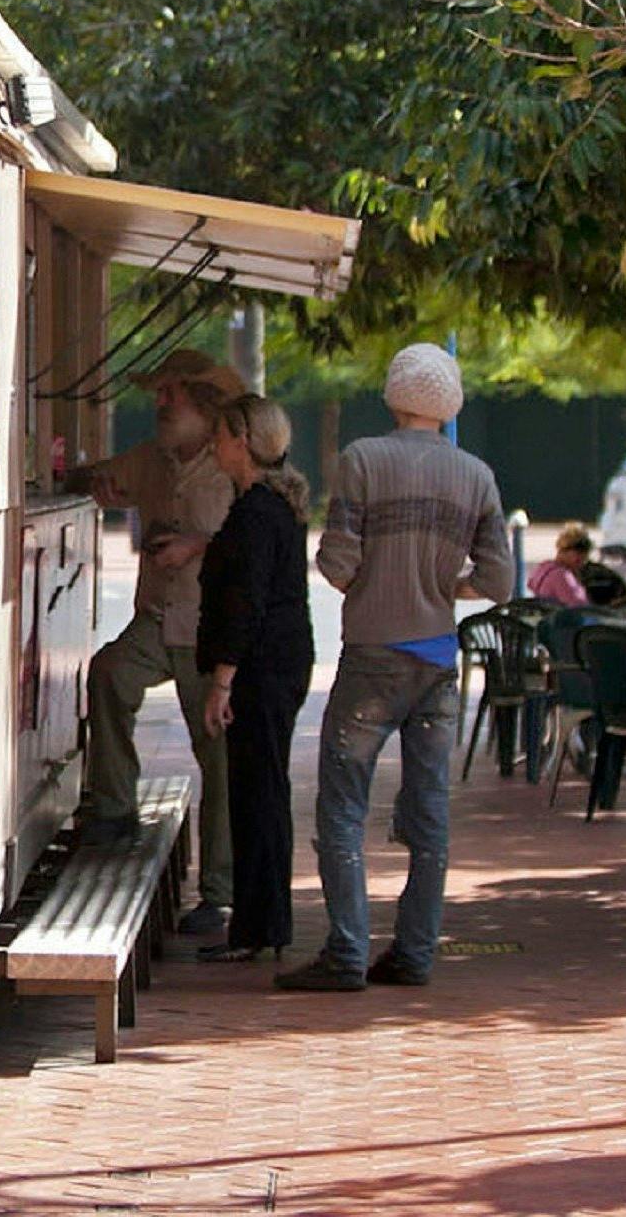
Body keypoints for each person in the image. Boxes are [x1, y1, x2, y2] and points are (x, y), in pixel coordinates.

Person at [278, 343, 513, 991]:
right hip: (439, 660)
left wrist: (377, 575)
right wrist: (442, 587)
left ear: (392, 394)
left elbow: (337, 565)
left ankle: (347, 952)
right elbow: (499, 578)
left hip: (373, 659)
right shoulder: (477, 476)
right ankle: (414, 953)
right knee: (429, 813)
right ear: (450, 404)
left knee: (342, 806)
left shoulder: (362, 461)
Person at [68, 347, 244, 936]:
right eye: (159, 392)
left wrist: (198, 545)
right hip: (157, 617)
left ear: (206, 404)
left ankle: (220, 892)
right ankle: (114, 808)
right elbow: (102, 479)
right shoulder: (152, 459)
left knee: (217, 760)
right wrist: (78, 478)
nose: (160, 403)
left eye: (173, 393)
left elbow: (262, 547)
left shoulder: (236, 469)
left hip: (210, 628)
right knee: (109, 674)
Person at [196, 396, 314, 964]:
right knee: (261, 792)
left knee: (257, 794)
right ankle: (261, 923)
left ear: (242, 441)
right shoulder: (270, 505)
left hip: (263, 669)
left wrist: (222, 682)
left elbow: (246, 603)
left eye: (220, 435)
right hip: (279, 663)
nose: (214, 446)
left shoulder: (257, 513)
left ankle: (258, 926)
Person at [526, 523, 594, 606]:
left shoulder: (544, 567)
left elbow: (530, 584)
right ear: (564, 551)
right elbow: (580, 606)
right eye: (579, 553)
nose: (583, 560)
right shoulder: (562, 575)